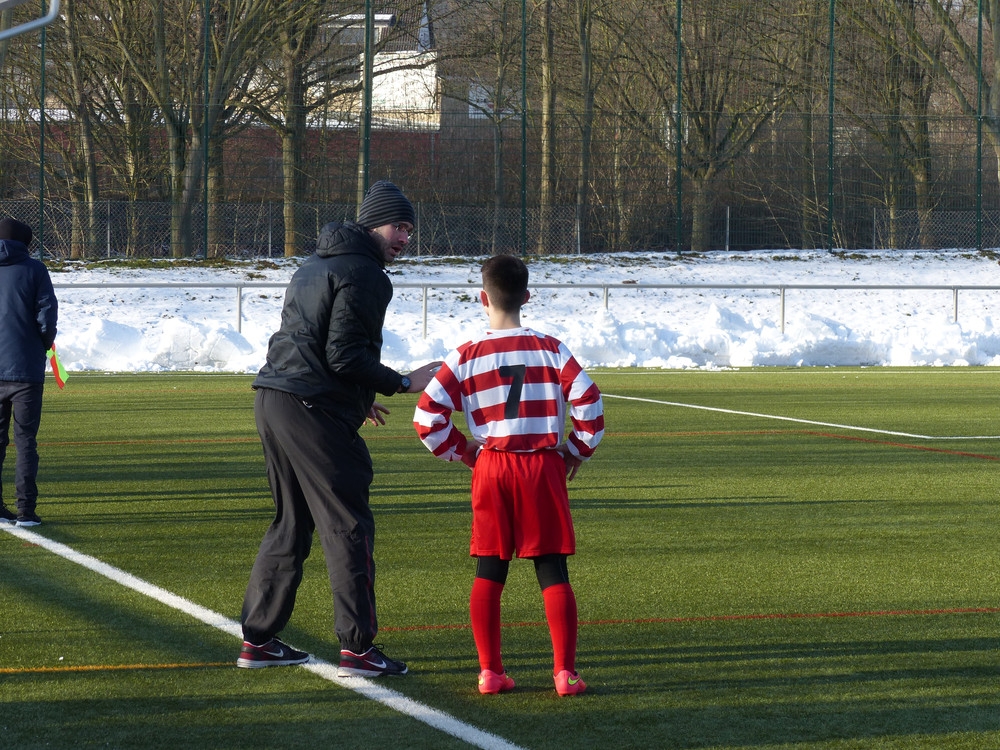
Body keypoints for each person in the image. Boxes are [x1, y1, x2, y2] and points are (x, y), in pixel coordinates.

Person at [238, 180, 442, 676]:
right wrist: (401, 382)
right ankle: (358, 648)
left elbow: (309, 341)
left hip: (276, 398)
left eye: (410, 230)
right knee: (348, 526)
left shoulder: (313, 265)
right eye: (398, 227)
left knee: (290, 523)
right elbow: (344, 353)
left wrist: (357, 397)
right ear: (373, 225)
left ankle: (258, 640)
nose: (404, 238)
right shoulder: (366, 273)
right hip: (311, 407)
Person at [413, 254, 604, 697]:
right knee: (551, 565)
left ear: (483, 299)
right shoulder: (550, 349)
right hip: (542, 466)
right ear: (527, 296)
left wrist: (463, 452)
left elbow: (426, 417)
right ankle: (564, 674)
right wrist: (576, 451)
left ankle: (490, 673)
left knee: (489, 566)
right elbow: (589, 400)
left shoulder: (465, 354)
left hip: (493, 467)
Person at [0, 218, 57, 529]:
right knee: (25, 442)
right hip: (25, 371)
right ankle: (26, 511)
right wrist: (43, 344)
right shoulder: (35, 269)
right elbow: (47, 314)